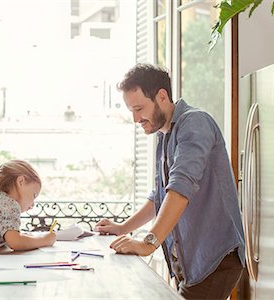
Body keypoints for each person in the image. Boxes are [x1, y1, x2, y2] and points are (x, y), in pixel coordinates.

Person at [94, 63, 245, 299]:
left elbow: (180, 187)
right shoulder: (165, 135)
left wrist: (148, 242)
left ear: (161, 96)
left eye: (139, 108)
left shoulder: (195, 123)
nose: (135, 118)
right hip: (192, 262)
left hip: (216, 258)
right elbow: (160, 197)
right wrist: (123, 228)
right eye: (131, 110)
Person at [0, 159, 56, 251]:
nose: (32, 205)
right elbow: (15, 242)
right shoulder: (8, 203)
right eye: (34, 195)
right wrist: (45, 240)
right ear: (21, 181)